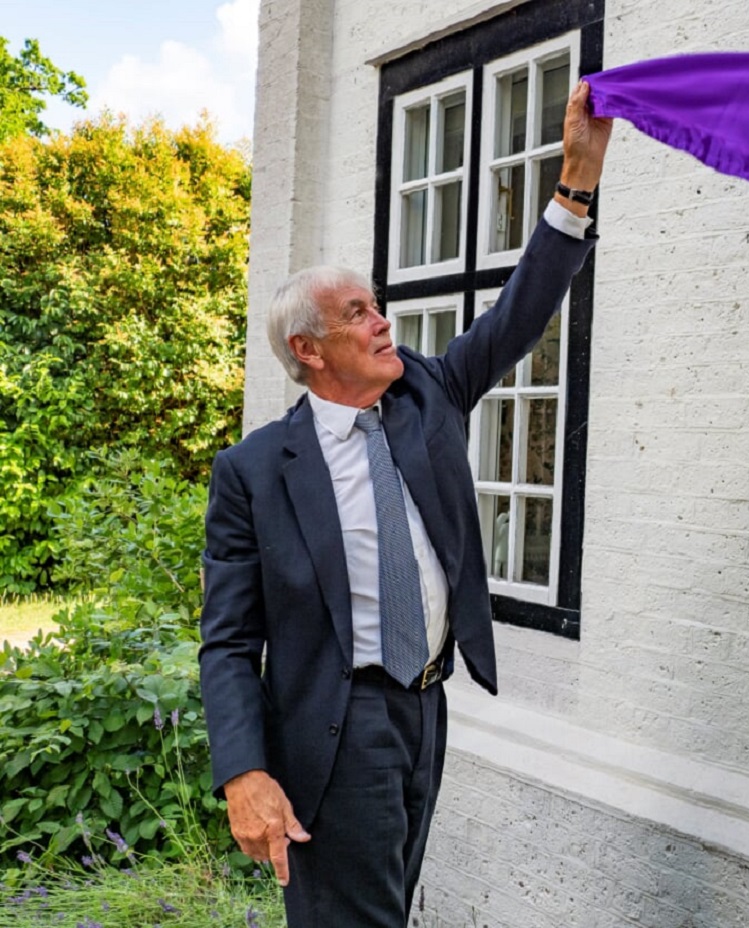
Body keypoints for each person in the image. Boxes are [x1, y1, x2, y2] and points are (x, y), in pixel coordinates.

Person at [198, 80, 612, 928]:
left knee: (388, 903)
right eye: (360, 314)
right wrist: (244, 773)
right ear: (309, 351)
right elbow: (230, 642)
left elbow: (516, 317)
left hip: (426, 707)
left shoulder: (428, 396)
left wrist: (576, 185)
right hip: (335, 724)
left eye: (378, 306)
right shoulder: (254, 472)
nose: (384, 324)